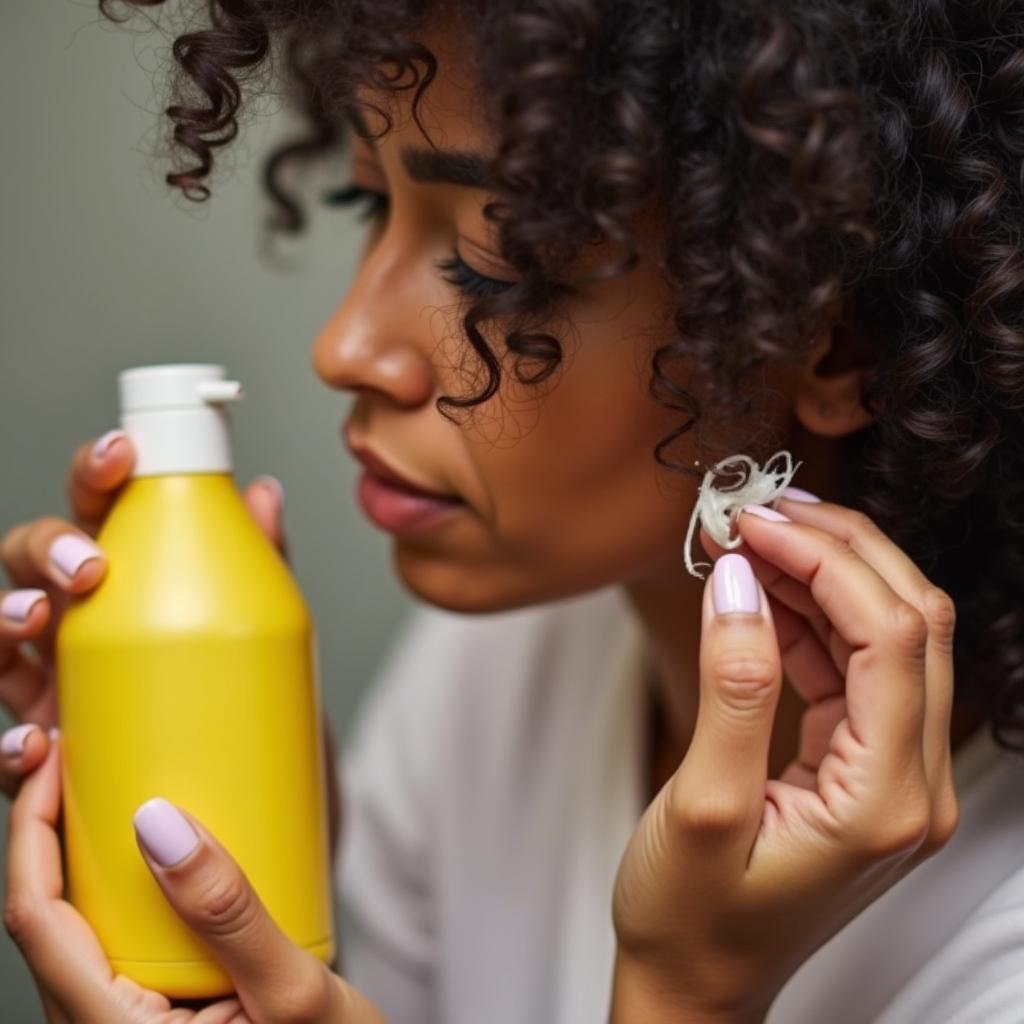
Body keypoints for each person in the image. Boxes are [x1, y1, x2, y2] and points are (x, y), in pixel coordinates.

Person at [3, 0, 1023, 1020]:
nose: (345, 345)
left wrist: (688, 994)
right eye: (371, 206)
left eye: (494, 259)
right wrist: (232, 917)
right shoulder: (483, 681)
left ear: (830, 341)